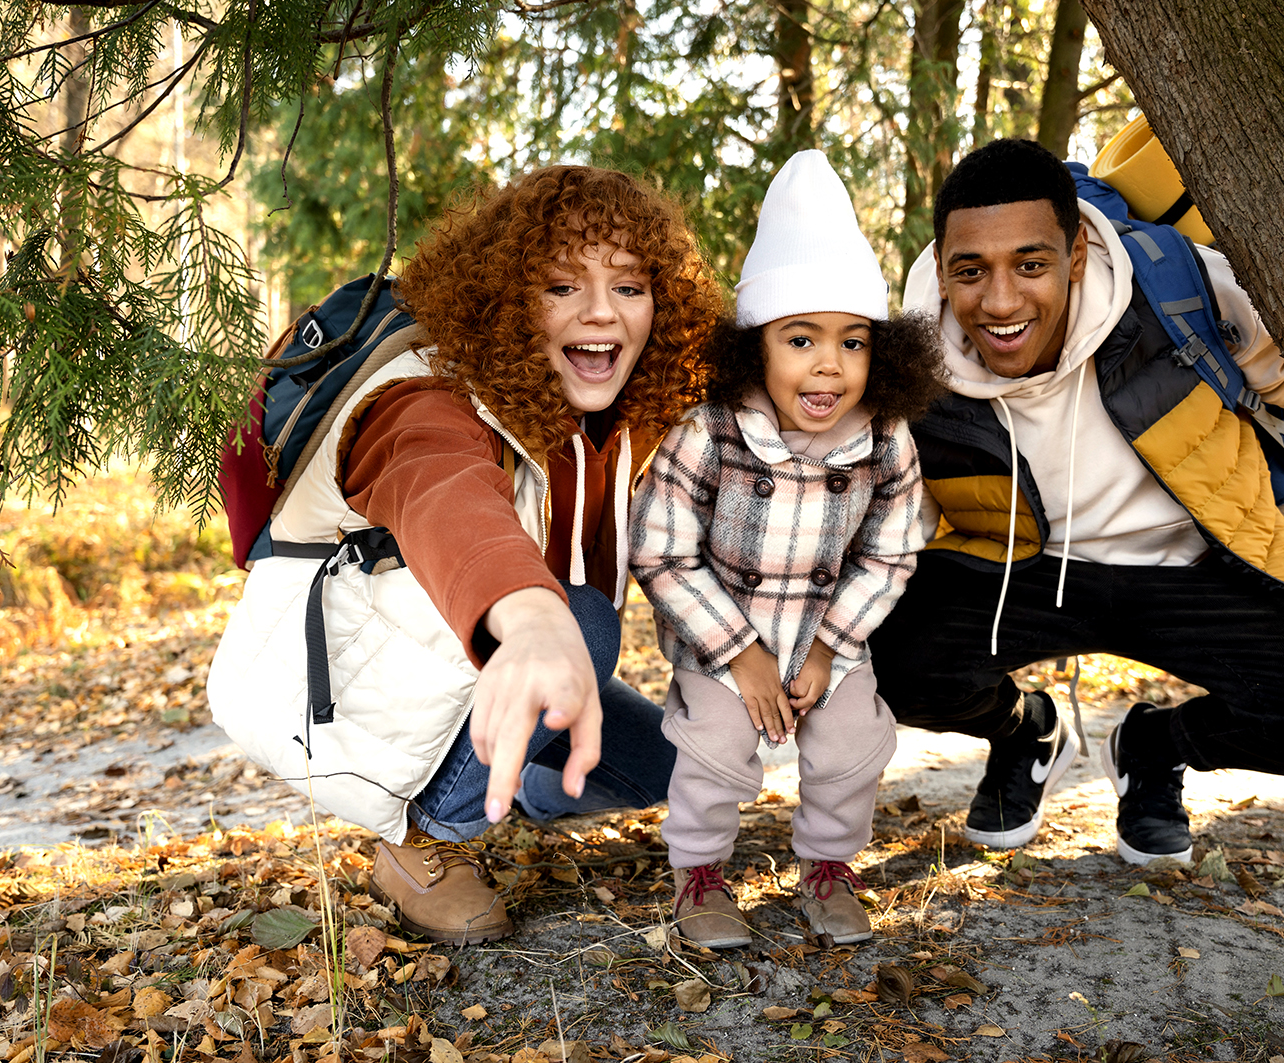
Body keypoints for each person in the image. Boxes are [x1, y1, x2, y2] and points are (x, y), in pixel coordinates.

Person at [207, 166, 724, 943]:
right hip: (336, 691)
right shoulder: (425, 397)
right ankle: (422, 838)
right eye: (560, 288)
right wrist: (533, 619)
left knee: (672, 766)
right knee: (584, 621)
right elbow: (443, 493)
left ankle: (513, 782)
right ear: (508, 299)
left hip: (499, 673)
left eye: (629, 287)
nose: (600, 312)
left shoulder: (630, 415)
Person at [865, 138, 1284, 866]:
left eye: (1030, 264)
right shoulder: (918, 361)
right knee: (879, 655)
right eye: (971, 271)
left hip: (1196, 564)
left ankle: (1155, 746)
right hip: (1029, 568)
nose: (999, 301)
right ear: (943, 266)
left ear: (1076, 251)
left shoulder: (1179, 285)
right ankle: (1025, 732)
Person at [630, 152, 943, 948]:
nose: (829, 364)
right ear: (756, 348)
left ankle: (829, 866)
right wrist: (741, 654)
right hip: (723, 645)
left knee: (848, 750)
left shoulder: (883, 438)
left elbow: (894, 547)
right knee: (714, 750)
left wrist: (832, 646)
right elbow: (662, 550)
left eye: (853, 342)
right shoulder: (711, 432)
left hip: (829, 640)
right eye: (800, 338)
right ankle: (698, 871)